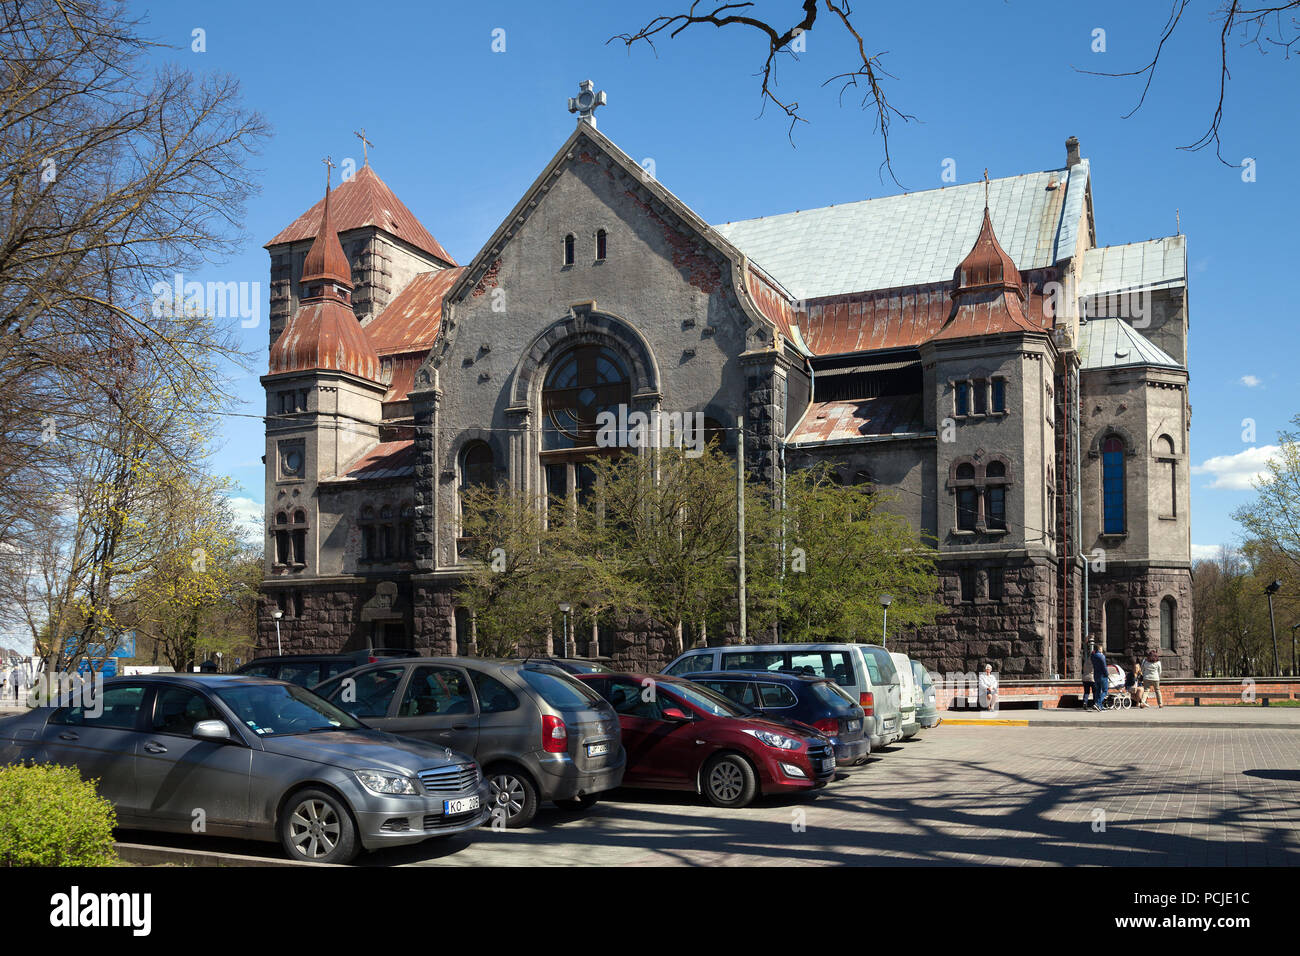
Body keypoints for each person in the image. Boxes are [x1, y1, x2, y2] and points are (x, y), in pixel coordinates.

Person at [1090, 644, 1109, 712]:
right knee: (1105, 690)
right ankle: (1098, 704)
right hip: (1102, 675)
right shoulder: (1102, 656)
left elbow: (1092, 655)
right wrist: (1107, 674)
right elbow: (1104, 667)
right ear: (1099, 649)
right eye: (1101, 649)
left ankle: (1099, 706)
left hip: (1096, 675)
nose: (1102, 650)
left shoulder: (1093, 656)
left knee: (1098, 690)